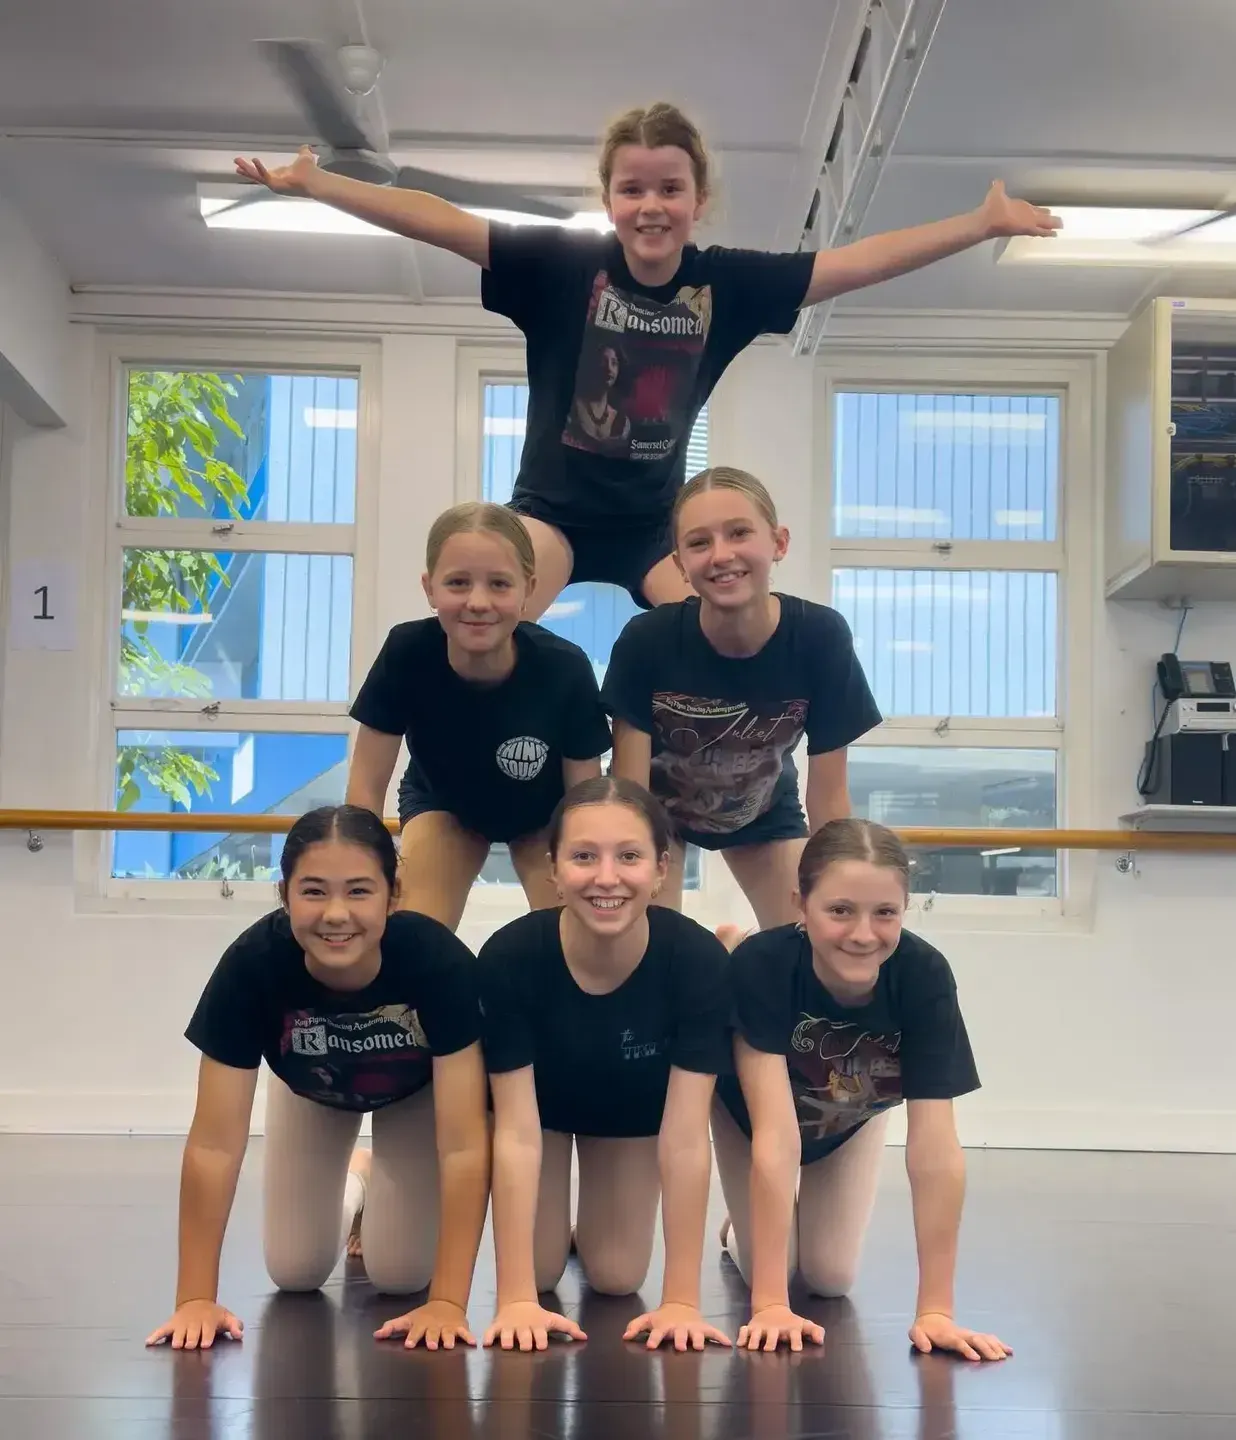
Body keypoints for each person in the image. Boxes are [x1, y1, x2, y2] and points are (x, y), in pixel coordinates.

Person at [235, 105, 1060, 615]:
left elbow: (856, 262)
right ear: (608, 200)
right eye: (632, 189)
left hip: (653, 527)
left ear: (699, 200)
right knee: (491, 614)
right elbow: (441, 220)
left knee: (714, 629)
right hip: (552, 514)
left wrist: (978, 225)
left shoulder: (728, 284)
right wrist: (321, 184)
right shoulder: (562, 265)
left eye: (670, 189)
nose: (651, 206)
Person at [145, 805, 490, 1354]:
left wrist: (448, 1302)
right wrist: (194, 1298)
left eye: (358, 891)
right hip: (310, 1088)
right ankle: (358, 1180)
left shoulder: (438, 963)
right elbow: (213, 1144)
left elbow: (466, 1145)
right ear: (284, 895)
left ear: (393, 895)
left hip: (415, 1095)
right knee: (295, 1269)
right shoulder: (252, 967)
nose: (335, 914)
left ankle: (377, 1178)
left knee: (401, 1274)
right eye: (313, 891)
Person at [712, 818, 1012, 1362]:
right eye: (840, 910)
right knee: (770, 1268)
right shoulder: (766, 967)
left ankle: (764, 1225)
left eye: (885, 913)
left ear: (905, 910)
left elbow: (935, 1149)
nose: (863, 934)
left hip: (849, 1116)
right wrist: (771, 1304)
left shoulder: (923, 974)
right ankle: (743, 1232)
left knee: (830, 1277)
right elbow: (776, 1137)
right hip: (750, 1117)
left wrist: (936, 1311)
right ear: (801, 906)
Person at [474, 776, 733, 1353]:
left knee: (618, 1277)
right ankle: (366, 1175)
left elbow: (687, 1138)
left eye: (629, 856)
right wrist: (514, 1297)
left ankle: (590, 1229)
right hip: (539, 1119)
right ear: (554, 869)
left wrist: (682, 1301)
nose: (607, 877)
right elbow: (515, 1133)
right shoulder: (510, 958)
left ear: (661, 869)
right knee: (539, 1275)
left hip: (630, 1120)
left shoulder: (697, 961)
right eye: (584, 856)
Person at [604, 466, 881, 931]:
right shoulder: (647, 640)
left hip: (761, 811)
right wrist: (630, 874)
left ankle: (737, 949)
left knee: (811, 935)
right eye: (699, 543)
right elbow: (629, 792)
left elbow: (829, 794)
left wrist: (839, 893)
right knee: (647, 943)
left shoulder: (819, 637)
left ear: (779, 543)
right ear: (680, 564)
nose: (721, 555)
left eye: (739, 533)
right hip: (658, 814)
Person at [346, 502, 612, 931]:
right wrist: (363, 874)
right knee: (414, 934)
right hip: (445, 804)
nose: (478, 602)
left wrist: (587, 875)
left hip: (545, 815)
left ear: (527, 589)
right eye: (458, 583)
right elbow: (365, 787)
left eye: (499, 584)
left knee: (574, 930)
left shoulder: (564, 668)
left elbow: (585, 802)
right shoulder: (407, 653)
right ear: (430, 588)